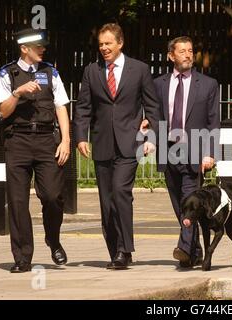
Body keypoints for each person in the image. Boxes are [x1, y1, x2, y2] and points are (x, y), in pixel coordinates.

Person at [73, 23, 160, 269]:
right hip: (101, 144)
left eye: (108, 43)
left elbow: (152, 106)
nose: (104, 48)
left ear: (120, 43)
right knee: (106, 200)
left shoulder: (139, 70)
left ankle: (124, 249)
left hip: (129, 143)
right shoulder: (91, 71)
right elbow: (83, 107)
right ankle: (116, 250)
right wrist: (80, 136)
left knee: (121, 192)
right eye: (101, 44)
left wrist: (150, 133)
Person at [0, 28, 70, 273]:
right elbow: (3, 112)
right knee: (17, 202)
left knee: (52, 196)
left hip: (46, 139)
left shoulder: (51, 72)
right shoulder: (8, 73)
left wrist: (66, 140)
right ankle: (22, 257)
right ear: (24, 48)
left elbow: (61, 107)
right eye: (38, 46)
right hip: (17, 140)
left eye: (43, 46)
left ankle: (53, 239)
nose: (43, 49)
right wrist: (18, 92)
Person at [153, 36, 220, 268]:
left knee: (190, 201)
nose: (188, 55)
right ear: (171, 56)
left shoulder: (208, 84)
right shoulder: (158, 84)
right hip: (168, 148)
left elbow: (213, 122)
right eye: (182, 51)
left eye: (190, 50)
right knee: (179, 204)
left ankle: (183, 249)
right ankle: (196, 251)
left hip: (195, 149)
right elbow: (154, 115)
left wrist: (210, 152)